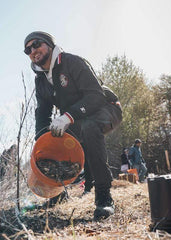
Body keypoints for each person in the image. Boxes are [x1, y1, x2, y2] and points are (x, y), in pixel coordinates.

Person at [24, 31, 122, 220]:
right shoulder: (41, 80)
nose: (33, 50)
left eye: (36, 44)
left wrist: (68, 116)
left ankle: (104, 197)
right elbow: (42, 113)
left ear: (49, 45)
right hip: (76, 118)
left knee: (90, 127)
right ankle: (57, 193)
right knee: (53, 139)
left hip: (106, 107)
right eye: (28, 49)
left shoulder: (72, 62)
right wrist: (41, 142)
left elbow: (96, 96)